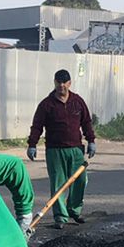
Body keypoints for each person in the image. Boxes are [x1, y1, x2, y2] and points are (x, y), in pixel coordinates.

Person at [27, 69, 96, 227]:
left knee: (80, 181)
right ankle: (60, 217)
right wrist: (32, 144)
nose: (61, 85)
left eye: (64, 82)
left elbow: (86, 122)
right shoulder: (47, 104)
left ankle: (74, 210)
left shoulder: (77, 101)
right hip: (55, 150)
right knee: (58, 184)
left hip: (76, 149)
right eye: (58, 82)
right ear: (55, 83)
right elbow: (37, 126)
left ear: (69, 83)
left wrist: (91, 140)